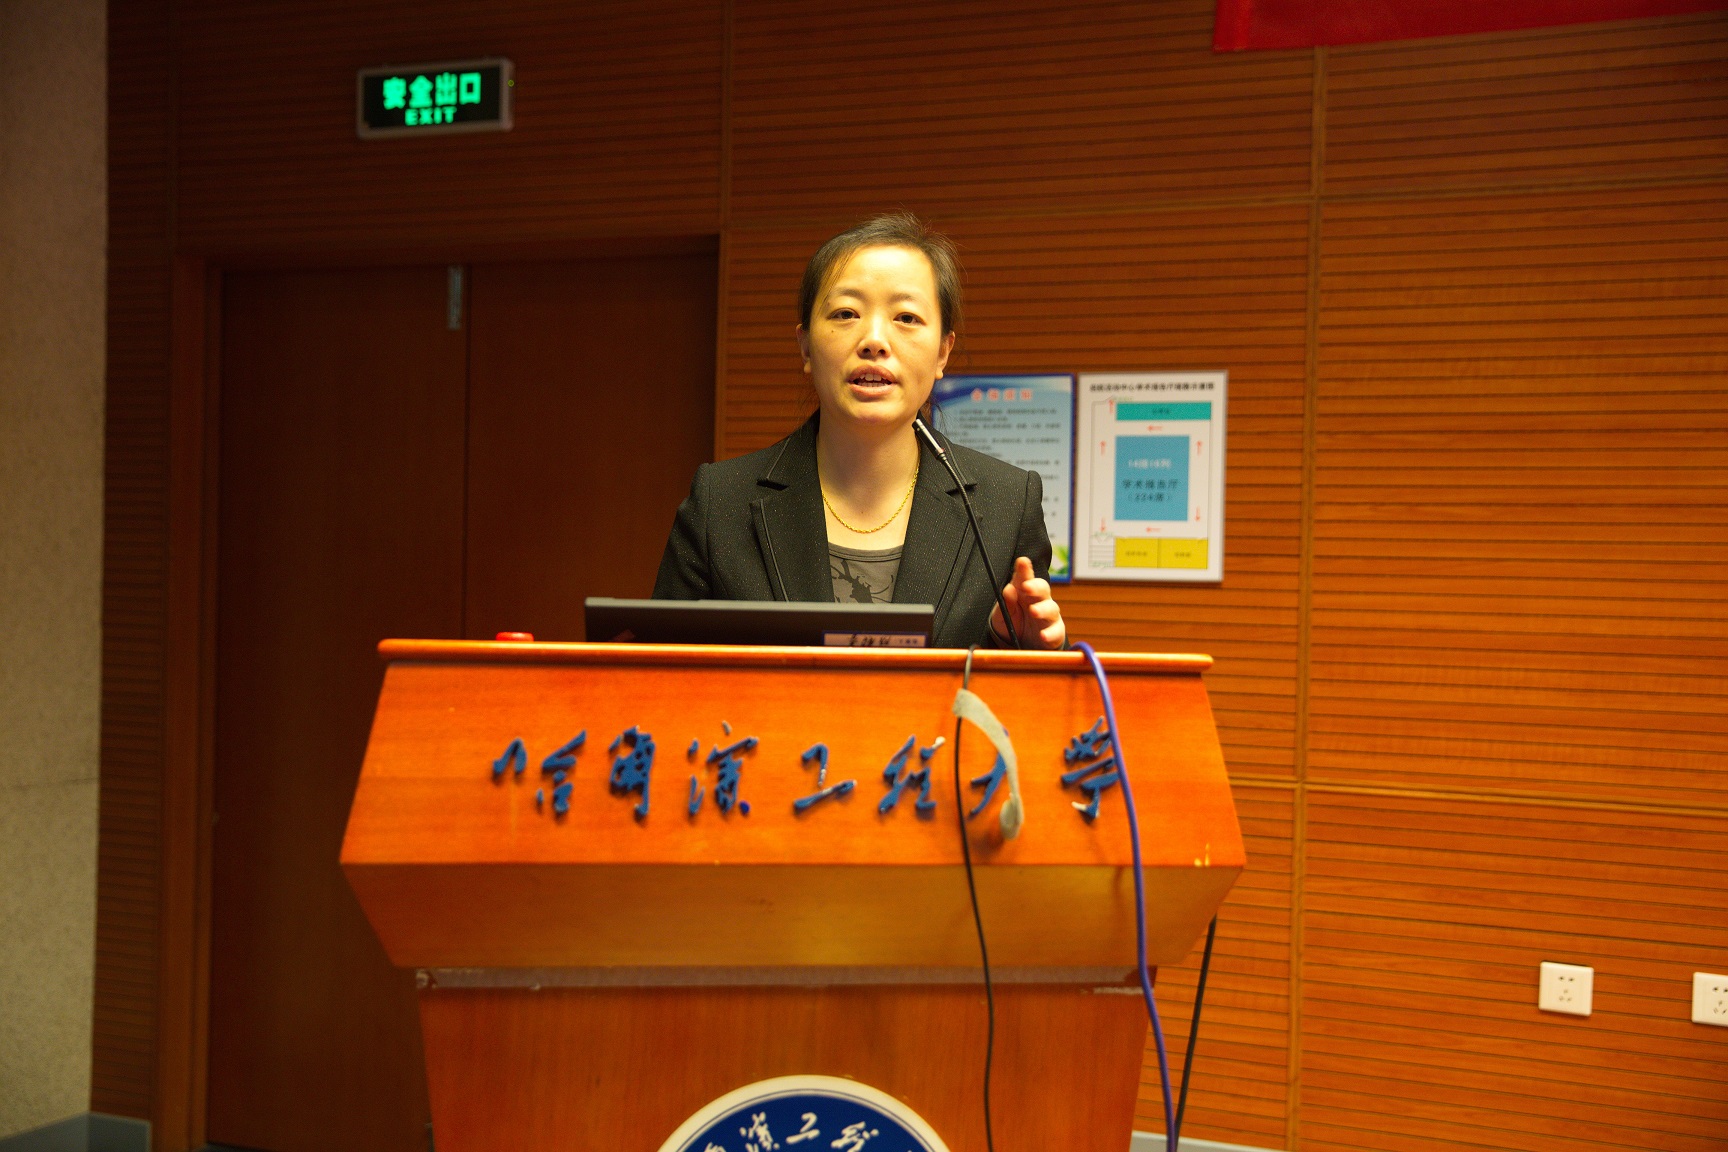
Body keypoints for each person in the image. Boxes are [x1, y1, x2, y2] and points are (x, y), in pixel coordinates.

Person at [653, 212, 1066, 650]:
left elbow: (1029, 676)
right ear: (806, 346)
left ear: (943, 352)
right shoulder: (720, 502)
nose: (874, 340)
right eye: (846, 313)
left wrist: (1027, 649)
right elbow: (656, 673)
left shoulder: (1007, 504)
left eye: (906, 317)